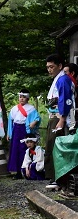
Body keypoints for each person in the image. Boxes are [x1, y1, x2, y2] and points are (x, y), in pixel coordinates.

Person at [44, 54, 75, 189]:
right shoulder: (59, 79)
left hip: (59, 117)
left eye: (52, 67)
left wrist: (62, 119)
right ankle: (55, 177)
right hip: (55, 116)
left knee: (56, 146)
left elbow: (65, 100)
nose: (49, 70)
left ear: (60, 66)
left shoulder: (63, 80)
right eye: (48, 67)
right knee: (53, 145)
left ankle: (58, 178)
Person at [7, 89, 41, 179]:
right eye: (20, 97)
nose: (21, 99)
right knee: (15, 150)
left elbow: (37, 118)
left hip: (25, 130)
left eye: (24, 97)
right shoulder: (14, 109)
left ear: (27, 98)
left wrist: (34, 122)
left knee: (25, 149)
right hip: (16, 130)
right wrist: (9, 133)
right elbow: (10, 122)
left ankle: (27, 170)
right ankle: (17, 172)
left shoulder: (31, 108)